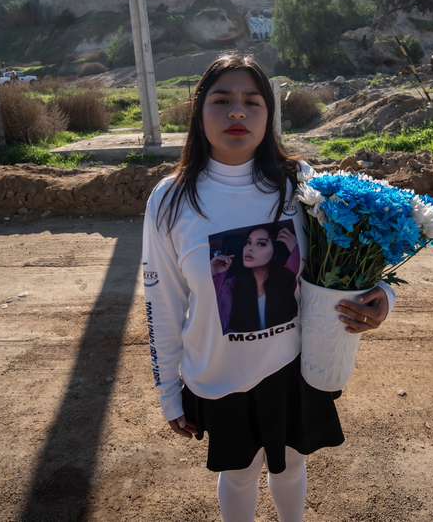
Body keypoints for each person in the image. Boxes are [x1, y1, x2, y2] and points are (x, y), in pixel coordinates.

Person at [141, 53, 397, 522]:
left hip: (293, 365)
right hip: (219, 372)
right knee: (238, 471)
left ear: (270, 114)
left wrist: (384, 298)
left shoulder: (300, 184)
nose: (237, 112)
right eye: (222, 100)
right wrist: (168, 390)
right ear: (199, 113)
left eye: (252, 102)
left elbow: (347, 263)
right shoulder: (170, 198)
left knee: (292, 463)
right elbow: (162, 300)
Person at [211, 223, 300, 334]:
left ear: (275, 251)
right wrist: (214, 273)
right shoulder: (230, 286)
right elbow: (214, 324)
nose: (250, 249)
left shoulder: (288, 280)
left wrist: (296, 250)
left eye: (261, 244)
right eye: (248, 242)